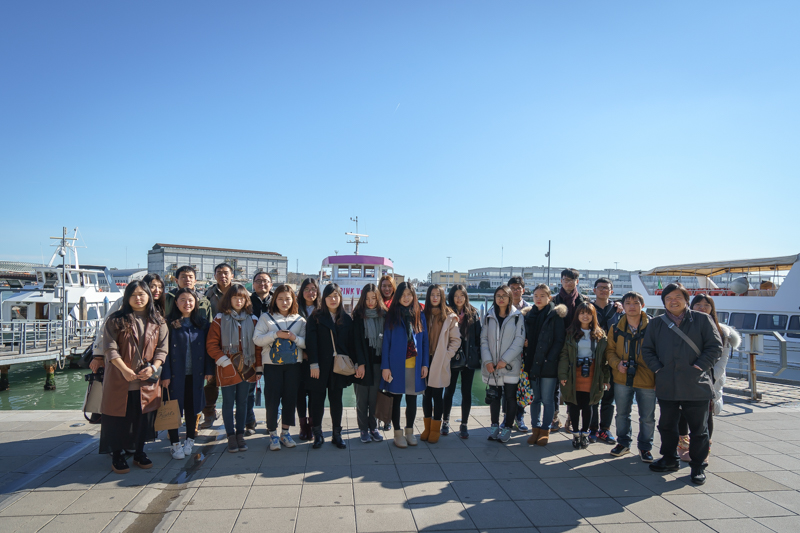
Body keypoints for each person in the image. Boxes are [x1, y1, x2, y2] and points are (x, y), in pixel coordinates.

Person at [642, 283, 722, 485]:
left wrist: (699, 367)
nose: (673, 301)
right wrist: (658, 369)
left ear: (686, 299)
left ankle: (698, 466)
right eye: (668, 298)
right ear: (664, 302)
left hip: (696, 384)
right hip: (667, 383)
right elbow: (647, 350)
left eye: (678, 297)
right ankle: (669, 459)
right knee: (667, 425)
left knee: (699, 429)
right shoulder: (656, 323)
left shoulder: (702, 320)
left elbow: (715, 347)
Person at [99, 281, 168, 474]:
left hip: (146, 380)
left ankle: (139, 452)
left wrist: (154, 367)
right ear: (127, 297)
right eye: (134, 295)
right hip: (120, 378)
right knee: (117, 419)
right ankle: (117, 455)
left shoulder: (158, 321)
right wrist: (124, 370)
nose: (138, 298)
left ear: (149, 296)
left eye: (142, 294)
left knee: (142, 419)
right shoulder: (116, 320)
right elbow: (110, 349)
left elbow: (162, 349)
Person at [676, 294, 740, 462]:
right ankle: (683, 443)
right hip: (684, 377)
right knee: (682, 411)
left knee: (706, 414)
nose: (702, 308)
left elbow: (722, 361)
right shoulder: (682, 326)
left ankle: (704, 448)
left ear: (712, 308)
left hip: (709, 378)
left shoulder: (722, 332)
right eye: (698, 304)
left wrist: (708, 377)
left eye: (706, 305)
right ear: (691, 306)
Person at [207, 283, 262, 453]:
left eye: (242, 298)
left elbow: (258, 347)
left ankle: (240, 434)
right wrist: (224, 360)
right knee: (228, 402)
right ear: (228, 299)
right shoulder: (219, 319)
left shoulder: (253, 319)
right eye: (235, 297)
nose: (239, 301)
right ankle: (230, 435)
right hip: (227, 366)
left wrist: (259, 368)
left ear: (246, 300)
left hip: (247, 366)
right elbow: (211, 344)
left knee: (243, 401)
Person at [161, 288, 214, 460]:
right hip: (175, 374)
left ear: (196, 302)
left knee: (192, 408)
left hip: (196, 373)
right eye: (182, 300)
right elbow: (163, 352)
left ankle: (190, 440)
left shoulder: (202, 323)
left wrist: (209, 370)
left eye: (190, 300)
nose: (187, 303)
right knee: (173, 408)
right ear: (176, 303)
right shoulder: (168, 324)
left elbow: (208, 349)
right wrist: (165, 374)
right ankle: (175, 443)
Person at [253, 284, 306, 451]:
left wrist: (294, 338)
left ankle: (285, 432)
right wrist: (275, 334)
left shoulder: (300, 320)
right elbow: (257, 339)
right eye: (280, 299)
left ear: (293, 300)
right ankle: (273, 433)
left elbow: (306, 343)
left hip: (293, 365)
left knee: (290, 399)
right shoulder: (266, 318)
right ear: (275, 300)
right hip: (272, 365)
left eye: (288, 299)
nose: (284, 302)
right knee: (272, 400)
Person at [606, 291, 656, 462]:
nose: (632, 306)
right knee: (622, 414)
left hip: (647, 378)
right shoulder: (616, 328)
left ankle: (645, 447)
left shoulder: (653, 327)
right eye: (628, 303)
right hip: (622, 377)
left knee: (647, 417)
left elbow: (662, 352)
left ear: (642, 305)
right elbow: (610, 351)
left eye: (636, 303)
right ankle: (623, 443)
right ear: (623, 306)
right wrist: (617, 364)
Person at [306, 283, 355, 450]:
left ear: (340, 298)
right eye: (329, 296)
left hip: (338, 366)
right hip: (319, 366)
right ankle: (317, 434)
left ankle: (337, 434)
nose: (333, 299)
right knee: (317, 400)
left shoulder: (346, 319)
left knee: (336, 400)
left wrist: (356, 363)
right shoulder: (316, 317)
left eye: (336, 296)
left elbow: (350, 344)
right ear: (324, 298)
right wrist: (313, 363)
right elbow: (311, 342)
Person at [381, 282, 429, 448]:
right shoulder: (392, 315)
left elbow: (425, 342)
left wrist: (425, 364)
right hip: (396, 365)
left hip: (415, 364)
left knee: (412, 399)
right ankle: (397, 433)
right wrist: (385, 366)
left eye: (409, 295)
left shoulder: (419, 315)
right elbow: (386, 343)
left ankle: (410, 431)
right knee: (396, 399)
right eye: (402, 295)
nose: (406, 298)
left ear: (414, 296)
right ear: (397, 297)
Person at [90, 273, 167, 374]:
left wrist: (154, 367)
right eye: (152, 286)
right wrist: (98, 355)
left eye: (160, 287)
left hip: (149, 366)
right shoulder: (123, 303)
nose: (157, 290)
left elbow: (162, 344)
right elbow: (106, 329)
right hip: (121, 364)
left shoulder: (159, 308)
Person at [559, 302, 610, 449]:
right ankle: (576, 434)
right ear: (577, 315)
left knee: (589, 405)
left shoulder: (600, 334)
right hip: (574, 371)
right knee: (574, 404)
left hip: (593, 372)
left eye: (588, 313)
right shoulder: (570, 333)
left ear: (593, 316)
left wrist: (606, 379)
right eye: (582, 313)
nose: (585, 316)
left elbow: (605, 360)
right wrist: (563, 374)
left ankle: (585, 433)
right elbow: (564, 355)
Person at [522, 284, 567, 446]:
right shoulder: (529, 315)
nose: (538, 298)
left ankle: (545, 430)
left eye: (542, 296)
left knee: (548, 399)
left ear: (549, 297)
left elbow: (559, 340)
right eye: (536, 295)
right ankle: (535, 428)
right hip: (532, 362)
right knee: (535, 399)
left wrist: (549, 359)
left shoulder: (555, 315)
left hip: (549, 364)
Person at [480, 285, 525, 443]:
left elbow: (519, 341)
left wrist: (504, 360)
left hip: (510, 365)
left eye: (504, 295)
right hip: (492, 365)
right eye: (498, 295)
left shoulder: (517, 316)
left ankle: (507, 427)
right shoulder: (489, 316)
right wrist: (487, 360)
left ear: (509, 297)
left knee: (510, 397)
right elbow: (484, 340)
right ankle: (494, 426)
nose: (501, 298)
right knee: (494, 397)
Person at [420, 285, 460, 444]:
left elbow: (455, 340)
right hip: (425, 360)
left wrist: (446, 357)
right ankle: (427, 427)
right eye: (432, 295)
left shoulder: (449, 316)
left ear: (442, 297)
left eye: (438, 295)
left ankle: (435, 428)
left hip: (440, 360)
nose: (435, 297)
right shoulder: (423, 314)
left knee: (437, 395)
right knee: (425, 395)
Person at [442, 284, 481, 439]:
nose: (459, 299)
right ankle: (445, 422)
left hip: (469, 359)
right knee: (449, 391)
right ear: (452, 297)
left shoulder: (473, 313)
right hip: (452, 358)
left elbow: (478, 337)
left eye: (462, 295)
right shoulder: (447, 312)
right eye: (456, 295)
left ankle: (464, 424)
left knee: (466, 392)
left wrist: (477, 355)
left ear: (466, 297)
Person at [552, 268, 587, 432]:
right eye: (565, 280)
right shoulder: (553, 301)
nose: (568, 283)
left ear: (577, 282)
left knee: (574, 384)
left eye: (571, 280)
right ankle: (554, 416)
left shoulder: (583, 301)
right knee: (554, 384)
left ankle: (571, 418)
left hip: (576, 347)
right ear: (561, 281)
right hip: (557, 346)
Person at [351, 283, 387, 443]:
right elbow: (356, 342)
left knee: (374, 399)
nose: (370, 302)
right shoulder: (358, 316)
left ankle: (374, 427)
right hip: (362, 363)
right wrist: (360, 364)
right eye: (367, 299)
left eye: (373, 298)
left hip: (378, 362)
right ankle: (363, 429)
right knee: (362, 399)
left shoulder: (384, 315)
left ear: (378, 298)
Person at [588, 277, 622, 444]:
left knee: (609, 396)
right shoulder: (588, 308)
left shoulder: (617, 310)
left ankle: (605, 429)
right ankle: (592, 428)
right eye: (600, 288)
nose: (603, 290)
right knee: (593, 396)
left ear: (611, 291)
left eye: (606, 288)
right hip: (592, 356)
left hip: (612, 357)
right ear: (594, 290)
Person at [245, 271, 273, 435]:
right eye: (258, 281)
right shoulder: (246, 302)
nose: (262, 284)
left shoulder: (277, 301)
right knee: (248, 388)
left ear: (271, 284)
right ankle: (249, 421)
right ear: (253, 284)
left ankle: (272, 422)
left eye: (265, 281)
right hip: (250, 349)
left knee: (273, 388)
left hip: (273, 350)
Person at [296, 277, 321, 441]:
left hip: (316, 359)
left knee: (314, 393)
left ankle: (312, 425)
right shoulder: (295, 309)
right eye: (307, 289)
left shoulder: (321, 310)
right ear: (302, 291)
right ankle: (302, 425)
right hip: (298, 358)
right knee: (299, 393)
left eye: (313, 289)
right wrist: (302, 353)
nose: (310, 292)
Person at [505, 276, 529, 433]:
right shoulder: (503, 307)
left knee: (521, 387)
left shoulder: (530, 309)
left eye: (518, 288)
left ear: (523, 290)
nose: (515, 291)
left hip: (523, 355)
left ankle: (519, 417)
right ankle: (506, 417)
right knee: (506, 388)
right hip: (505, 354)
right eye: (512, 288)